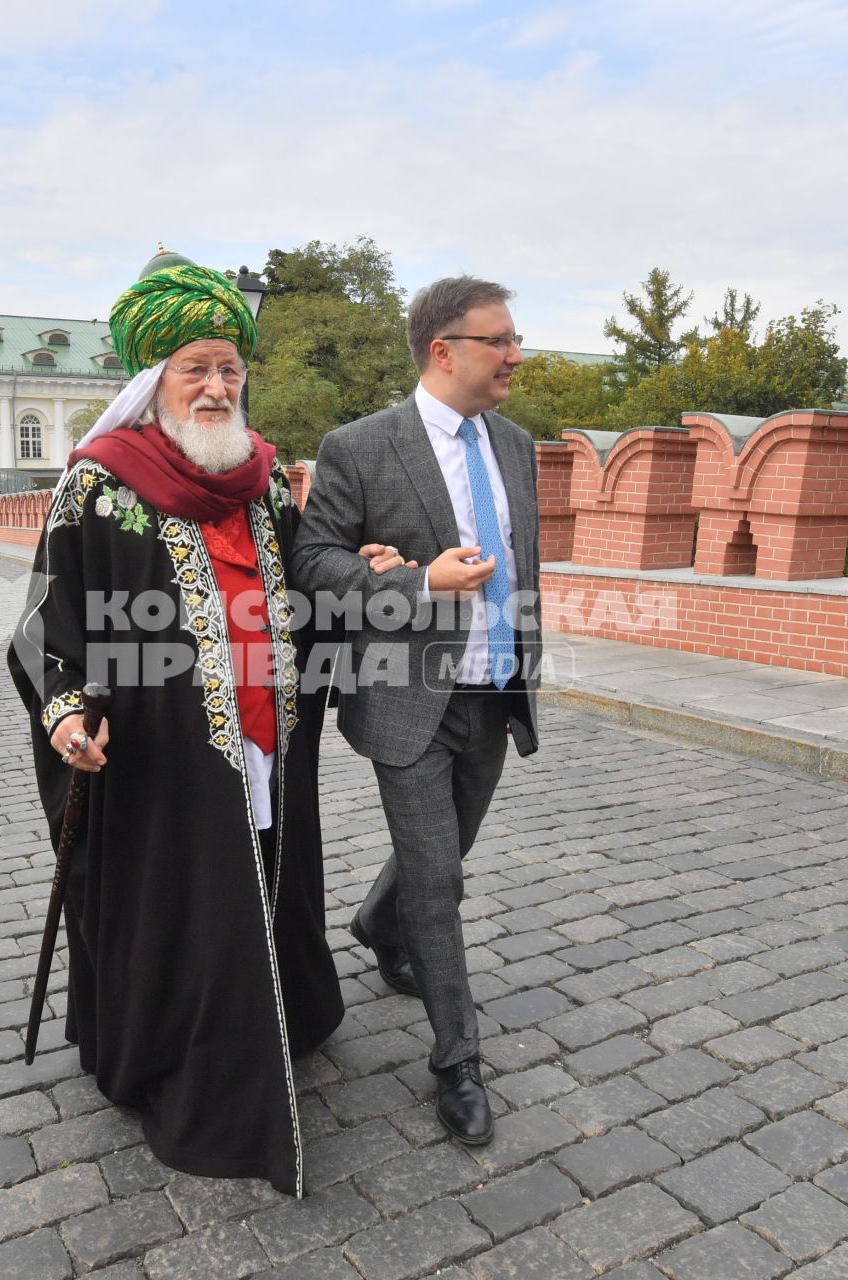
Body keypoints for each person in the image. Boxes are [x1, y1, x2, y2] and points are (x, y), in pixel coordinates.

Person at [8, 255, 407, 1197]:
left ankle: (273, 1015)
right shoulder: (98, 486)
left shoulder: (263, 483)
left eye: (231, 368)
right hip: (161, 759)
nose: (220, 386)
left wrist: (364, 579)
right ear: (154, 380)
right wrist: (66, 710)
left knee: (267, 880)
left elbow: (300, 602)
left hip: (268, 740)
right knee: (189, 906)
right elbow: (41, 624)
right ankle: (188, 1059)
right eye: (199, 368)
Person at [290, 275, 542, 1149]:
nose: (516, 354)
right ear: (446, 350)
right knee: (440, 877)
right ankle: (456, 1060)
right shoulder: (359, 446)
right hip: (407, 699)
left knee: (446, 849)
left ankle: (372, 923)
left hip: (494, 688)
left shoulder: (516, 444)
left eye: (515, 339)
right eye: (500, 340)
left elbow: (523, 564)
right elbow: (313, 562)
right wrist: (414, 579)